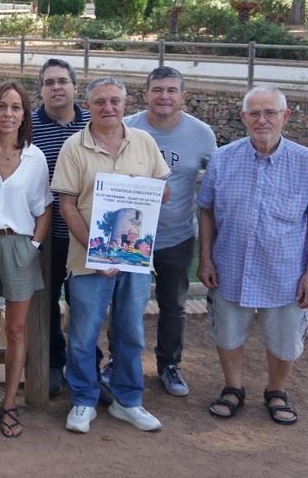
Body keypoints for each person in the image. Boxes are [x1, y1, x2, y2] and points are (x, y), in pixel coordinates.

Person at [196, 85, 308, 425]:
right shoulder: (223, 158)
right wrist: (206, 259)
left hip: (286, 270)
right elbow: (207, 211)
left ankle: (276, 390)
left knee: (284, 337)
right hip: (230, 265)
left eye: (270, 112)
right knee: (227, 332)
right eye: (254, 113)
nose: (262, 119)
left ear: (285, 116)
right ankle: (233, 387)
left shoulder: (307, 163)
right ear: (243, 117)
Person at [51, 77, 170, 435]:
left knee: (130, 331)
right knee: (84, 334)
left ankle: (128, 400)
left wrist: (142, 188)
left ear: (125, 102)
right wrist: (97, 251)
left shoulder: (144, 142)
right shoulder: (75, 146)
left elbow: (164, 194)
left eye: (115, 101)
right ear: (88, 105)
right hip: (88, 260)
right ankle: (84, 399)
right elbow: (66, 205)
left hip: (134, 259)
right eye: (100, 101)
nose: (108, 107)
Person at [113, 67, 216, 397]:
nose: (164, 96)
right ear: (145, 95)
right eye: (157, 90)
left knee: (173, 304)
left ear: (184, 96)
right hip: (131, 235)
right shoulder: (126, 127)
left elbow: (214, 192)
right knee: (125, 303)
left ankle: (169, 364)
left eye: (172, 90)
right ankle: (119, 361)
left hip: (177, 235)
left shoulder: (202, 134)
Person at [0, 82, 52, 438]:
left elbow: (44, 207)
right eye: (2, 106)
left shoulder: (35, 158)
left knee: (15, 331)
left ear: (24, 114)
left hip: (18, 245)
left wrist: (33, 245)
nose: (8, 114)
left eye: (16, 108)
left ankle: (11, 401)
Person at [29, 58, 90, 396]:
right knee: (47, 302)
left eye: (62, 81)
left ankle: (88, 366)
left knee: (86, 304)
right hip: (45, 233)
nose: (56, 87)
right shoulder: (29, 126)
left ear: (74, 87)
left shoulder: (93, 124)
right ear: (41, 89)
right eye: (49, 82)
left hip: (84, 234)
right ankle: (52, 362)